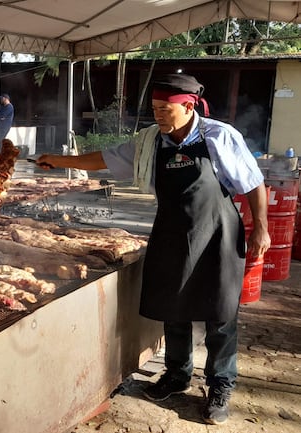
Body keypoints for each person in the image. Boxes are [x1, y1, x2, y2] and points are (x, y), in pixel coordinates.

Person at [35, 73, 270, 426]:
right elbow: (106, 159)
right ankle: (177, 375)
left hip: (218, 233)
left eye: (165, 109)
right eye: (155, 109)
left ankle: (220, 384)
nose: (158, 116)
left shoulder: (218, 136)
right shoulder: (151, 142)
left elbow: (253, 183)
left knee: (220, 314)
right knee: (173, 308)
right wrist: (59, 160)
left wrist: (261, 229)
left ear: (188, 106)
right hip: (172, 233)